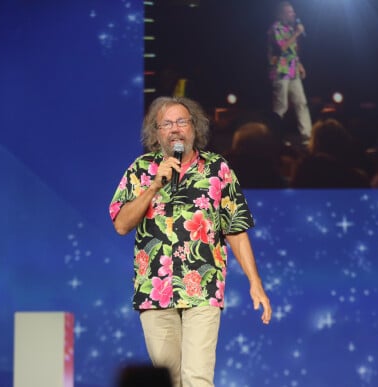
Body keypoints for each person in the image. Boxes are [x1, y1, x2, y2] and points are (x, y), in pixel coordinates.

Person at [109, 96, 272, 387]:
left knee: (197, 378)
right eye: (167, 123)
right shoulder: (141, 169)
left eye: (182, 122)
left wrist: (255, 282)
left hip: (204, 288)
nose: (175, 129)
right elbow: (121, 224)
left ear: (194, 128)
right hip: (155, 291)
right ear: (156, 132)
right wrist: (154, 186)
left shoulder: (217, 169)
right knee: (167, 381)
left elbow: (235, 228)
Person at [267, 1, 312, 145]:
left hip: (293, 72)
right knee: (281, 107)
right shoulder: (276, 28)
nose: (293, 14)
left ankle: (307, 136)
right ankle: (276, 138)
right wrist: (298, 33)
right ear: (282, 14)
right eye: (290, 12)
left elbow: (292, 52)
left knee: (301, 103)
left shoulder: (290, 29)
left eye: (293, 12)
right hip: (280, 71)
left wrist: (300, 65)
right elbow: (282, 48)